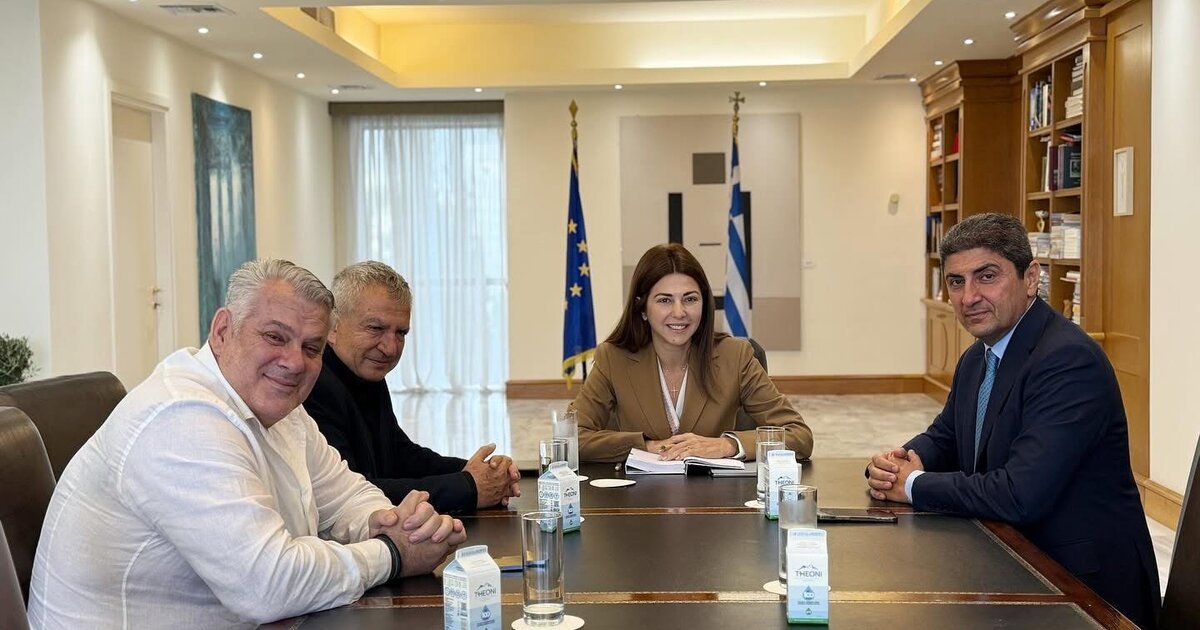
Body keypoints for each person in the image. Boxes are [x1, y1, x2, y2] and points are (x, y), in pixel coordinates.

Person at [28, 260, 467, 629]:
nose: (294, 362)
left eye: (311, 348)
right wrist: (392, 553)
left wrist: (390, 522)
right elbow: (268, 585)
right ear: (222, 330)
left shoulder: (282, 408)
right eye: (275, 337)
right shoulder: (181, 417)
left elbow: (346, 493)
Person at [865, 213, 1159, 628]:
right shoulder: (978, 357)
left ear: (1030, 277)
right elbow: (946, 436)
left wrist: (913, 485)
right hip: (1012, 560)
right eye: (956, 282)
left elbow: (1021, 493)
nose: (969, 297)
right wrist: (897, 463)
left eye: (987, 277)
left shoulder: (1067, 360)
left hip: (1083, 590)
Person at [303, 261, 520, 514]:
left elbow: (401, 455)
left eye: (401, 333)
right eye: (376, 328)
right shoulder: (313, 386)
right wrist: (469, 486)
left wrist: (481, 472)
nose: (390, 348)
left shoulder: (364, 372)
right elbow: (352, 493)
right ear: (332, 327)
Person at [574, 243, 812, 463]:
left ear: (704, 304)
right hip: (640, 492)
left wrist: (726, 445)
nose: (679, 312)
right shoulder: (613, 358)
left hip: (716, 492)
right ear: (642, 309)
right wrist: (645, 446)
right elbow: (573, 437)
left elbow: (798, 436)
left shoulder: (735, 356)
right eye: (665, 300)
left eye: (690, 299)